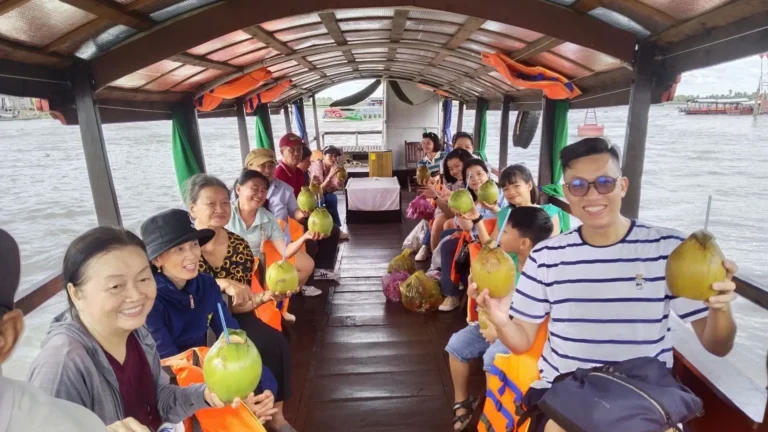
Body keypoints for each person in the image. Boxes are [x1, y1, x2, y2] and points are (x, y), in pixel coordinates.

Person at [475, 137, 738, 432]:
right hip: (566, 390)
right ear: (566, 192)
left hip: (645, 393)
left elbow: (717, 345)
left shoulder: (668, 249)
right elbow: (522, 340)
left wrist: (720, 308)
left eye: (604, 182)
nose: (592, 195)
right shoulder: (546, 255)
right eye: (578, 185)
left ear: (622, 186)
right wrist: (500, 319)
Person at [28, 226, 268, 431]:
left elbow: (160, 400)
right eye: (115, 286)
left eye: (143, 279)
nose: (136, 295)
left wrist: (206, 394)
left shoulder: (138, 334)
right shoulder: (63, 362)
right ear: (76, 293)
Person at [184, 174, 297, 432]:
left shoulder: (239, 246)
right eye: (211, 204)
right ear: (192, 209)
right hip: (194, 318)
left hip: (229, 316)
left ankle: (275, 415)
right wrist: (220, 282)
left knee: (274, 342)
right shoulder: (183, 246)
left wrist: (263, 298)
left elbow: (238, 304)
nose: (220, 209)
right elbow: (187, 293)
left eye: (225, 203)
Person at [446, 207, 553, 432]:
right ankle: (462, 401)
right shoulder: (506, 261)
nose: (500, 236)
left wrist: (498, 330)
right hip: (499, 322)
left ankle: (495, 412)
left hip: (524, 334)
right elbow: (498, 299)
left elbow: (541, 322)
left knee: (493, 356)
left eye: (506, 232)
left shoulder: (545, 271)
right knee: (457, 345)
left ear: (523, 243)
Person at [0, 229, 109, 432]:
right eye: (115, 285)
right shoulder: (62, 358)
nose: (134, 294)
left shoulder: (63, 426)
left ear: (5, 336)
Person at [244, 149, 341, 282]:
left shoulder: (284, 189)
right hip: (250, 246)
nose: (267, 170)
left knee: (309, 259)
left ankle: (293, 286)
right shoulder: (242, 195)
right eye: (262, 166)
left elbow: (294, 212)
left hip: (278, 241)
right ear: (249, 167)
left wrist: (304, 214)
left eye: (271, 165)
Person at [227, 169, 319, 296]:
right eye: (254, 188)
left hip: (255, 268)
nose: (259, 194)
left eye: (264, 190)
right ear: (238, 189)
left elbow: (285, 251)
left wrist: (305, 237)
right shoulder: (226, 213)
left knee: (305, 266)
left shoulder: (268, 218)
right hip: (227, 267)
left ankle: (277, 299)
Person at [438, 158, 504, 312]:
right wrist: (460, 213)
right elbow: (467, 227)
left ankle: (452, 294)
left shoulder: (500, 193)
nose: (475, 179)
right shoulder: (468, 198)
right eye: (470, 176)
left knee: (448, 245)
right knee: (447, 234)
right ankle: (456, 281)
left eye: (479, 174)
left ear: (487, 174)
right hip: (475, 238)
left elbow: (507, 219)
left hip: (492, 241)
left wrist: (494, 209)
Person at [473, 164, 562, 237]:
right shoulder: (505, 214)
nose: (511, 192)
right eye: (506, 189)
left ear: (529, 185)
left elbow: (548, 247)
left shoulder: (550, 212)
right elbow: (491, 245)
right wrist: (477, 218)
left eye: (516, 186)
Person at [308, 145, 349, 239]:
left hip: (323, 192)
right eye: (330, 156)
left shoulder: (333, 167)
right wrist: (330, 175)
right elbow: (319, 189)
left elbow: (330, 189)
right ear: (323, 156)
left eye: (335, 156)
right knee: (321, 200)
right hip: (313, 194)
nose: (333, 158)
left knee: (332, 198)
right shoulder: (317, 166)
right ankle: (320, 228)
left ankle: (336, 229)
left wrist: (339, 184)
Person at [274, 133, 307, 197]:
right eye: (292, 150)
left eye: (299, 149)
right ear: (282, 152)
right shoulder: (279, 174)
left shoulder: (299, 172)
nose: (296, 153)